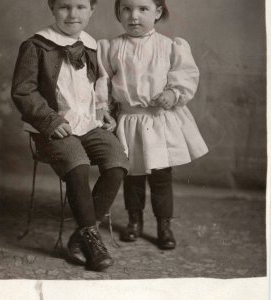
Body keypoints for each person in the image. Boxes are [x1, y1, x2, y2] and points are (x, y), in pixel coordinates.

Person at [11, 0, 129, 271]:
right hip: (51, 128)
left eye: (80, 6)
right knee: (78, 164)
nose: (73, 14)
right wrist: (49, 120)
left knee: (117, 162)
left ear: (92, 9)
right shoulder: (37, 45)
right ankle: (92, 241)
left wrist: (104, 112)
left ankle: (80, 238)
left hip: (86, 125)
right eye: (64, 6)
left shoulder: (91, 46)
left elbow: (96, 87)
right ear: (52, 8)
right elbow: (23, 91)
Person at [96, 0, 208, 250]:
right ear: (119, 12)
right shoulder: (112, 48)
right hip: (129, 119)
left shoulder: (170, 47)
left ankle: (163, 224)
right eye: (126, 9)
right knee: (132, 175)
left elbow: (184, 77)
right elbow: (103, 81)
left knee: (161, 176)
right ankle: (134, 221)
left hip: (158, 120)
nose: (133, 16)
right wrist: (103, 107)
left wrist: (172, 94)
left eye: (142, 9)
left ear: (158, 12)